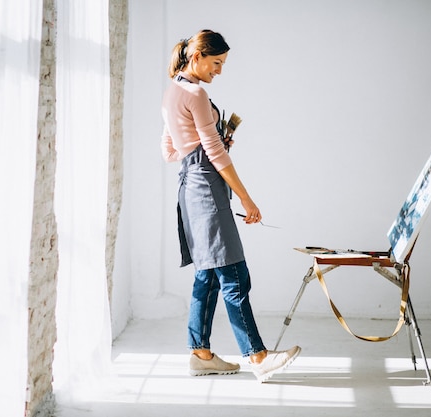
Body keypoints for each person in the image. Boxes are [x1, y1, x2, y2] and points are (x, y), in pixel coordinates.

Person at [160, 29, 300, 383]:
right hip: (207, 189)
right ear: (197, 57)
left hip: (189, 187)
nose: (219, 70)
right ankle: (258, 356)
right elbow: (215, 153)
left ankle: (201, 354)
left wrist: (206, 147)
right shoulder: (197, 93)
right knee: (234, 274)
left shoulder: (171, 91)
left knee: (207, 275)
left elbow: (170, 151)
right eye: (216, 63)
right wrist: (246, 197)